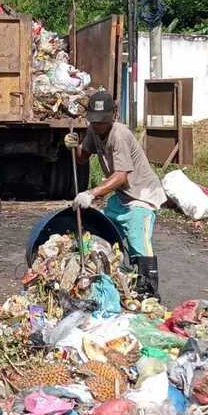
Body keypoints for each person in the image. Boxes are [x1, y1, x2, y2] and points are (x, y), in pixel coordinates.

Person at [65, 90, 167, 300]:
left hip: (142, 196)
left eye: (103, 122)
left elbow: (121, 176)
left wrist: (91, 193)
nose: (99, 125)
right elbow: (82, 158)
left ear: (114, 116)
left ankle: (149, 294)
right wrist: (74, 144)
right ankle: (117, 279)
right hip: (122, 197)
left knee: (139, 244)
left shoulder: (119, 134)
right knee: (105, 233)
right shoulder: (94, 131)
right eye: (95, 121)